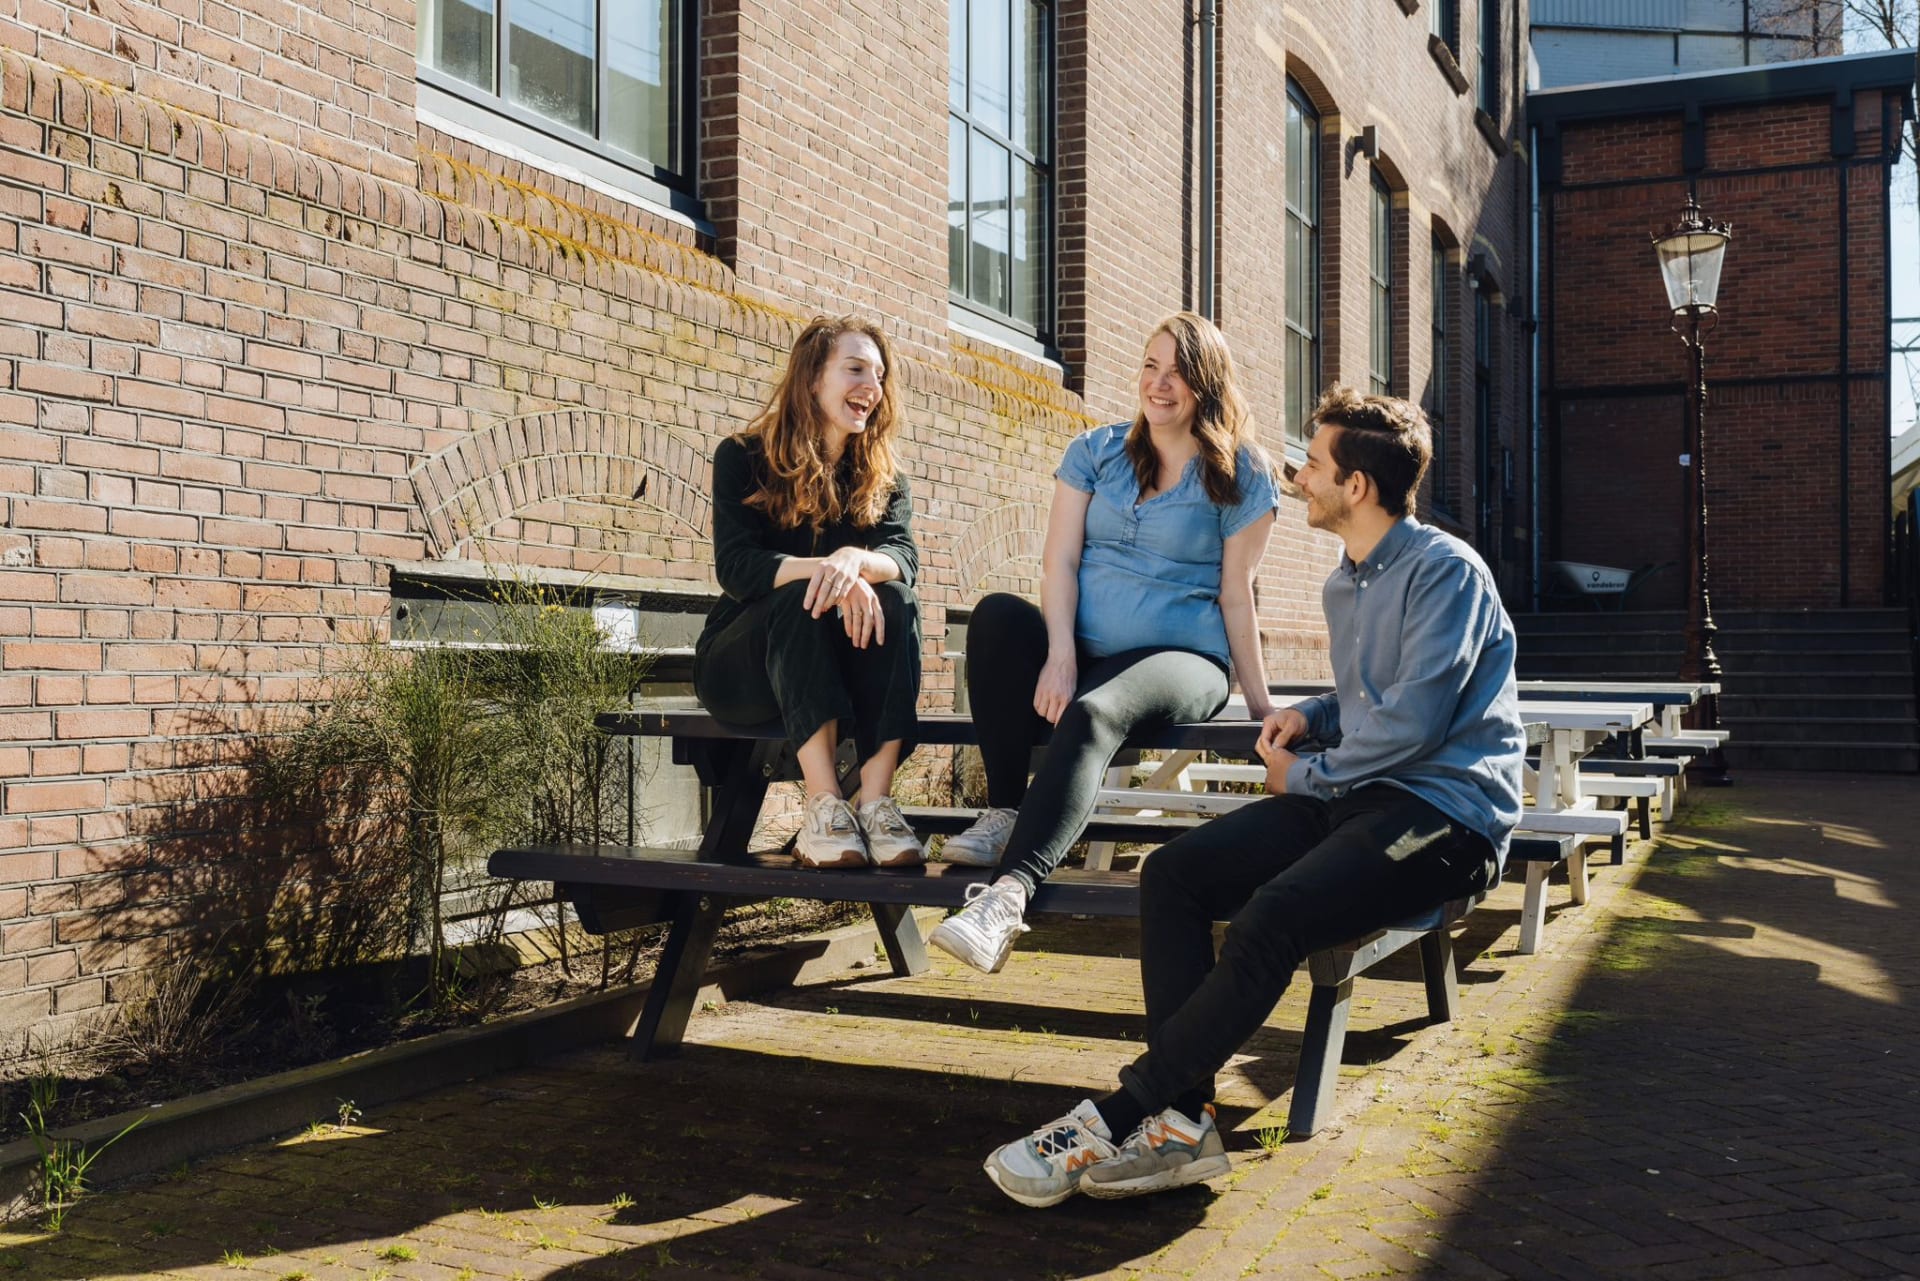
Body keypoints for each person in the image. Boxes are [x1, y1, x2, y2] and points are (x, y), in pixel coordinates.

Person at [980, 386, 1526, 1207]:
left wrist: (1306, 773)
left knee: (1274, 913)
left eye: (1314, 464)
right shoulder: (1348, 583)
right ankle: (1186, 1126)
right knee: (1173, 875)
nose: (1298, 476)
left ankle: (1125, 1110)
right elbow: (1375, 699)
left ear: (1359, 488)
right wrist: (1315, 712)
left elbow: (1415, 722)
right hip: (1358, 792)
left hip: (1445, 818)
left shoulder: (1447, 572)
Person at [928, 312, 1279, 974]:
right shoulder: (1095, 451)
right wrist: (1060, 651)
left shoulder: (1241, 473)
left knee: (1093, 711)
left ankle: (1006, 898)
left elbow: (1237, 594)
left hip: (1184, 660)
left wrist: (1261, 706)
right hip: (1085, 651)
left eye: (1177, 371)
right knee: (998, 616)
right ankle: (1007, 809)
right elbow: (1058, 562)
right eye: (1150, 366)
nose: (1159, 383)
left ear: (1207, 383)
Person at [693, 316, 925, 869]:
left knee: (898, 600)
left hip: (831, 669)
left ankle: (875, 805)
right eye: (855, 368)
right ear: (812, 378)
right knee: (805, 597)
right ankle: (822, 810)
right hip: (741, 666)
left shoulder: (882, 478)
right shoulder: (744, 457)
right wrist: (826, 571)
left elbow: (904, 560)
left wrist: (855, 560)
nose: (872, 384)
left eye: (879, 373)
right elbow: (738, 568)